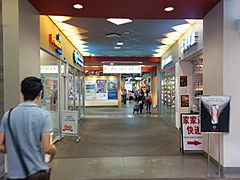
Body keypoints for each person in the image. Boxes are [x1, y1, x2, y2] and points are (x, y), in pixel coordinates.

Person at [0, 76, 57, 179]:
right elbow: (47, 148)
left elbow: (0, 146)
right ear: (40, 93)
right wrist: (54, 150)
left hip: (13, 175)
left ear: (22, 92)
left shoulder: (7, 115)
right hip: (36, 174)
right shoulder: (44, 115)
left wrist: (14, 148)